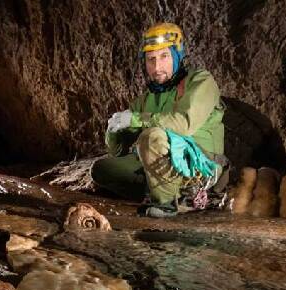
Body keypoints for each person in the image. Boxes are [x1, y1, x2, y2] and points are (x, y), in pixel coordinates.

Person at [91, 22, 228, 217]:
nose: (157, 66)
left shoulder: (201, 81)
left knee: (152, 136)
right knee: (102, 169)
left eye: (164, 56)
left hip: (200, 166)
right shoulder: (146, 99)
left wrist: (136, 119)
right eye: (151, 59)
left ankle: (169, 204)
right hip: (165, 168)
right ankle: (169, 193)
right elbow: (117, 151)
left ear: (177, 55)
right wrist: (113, 129)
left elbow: (183, 123)